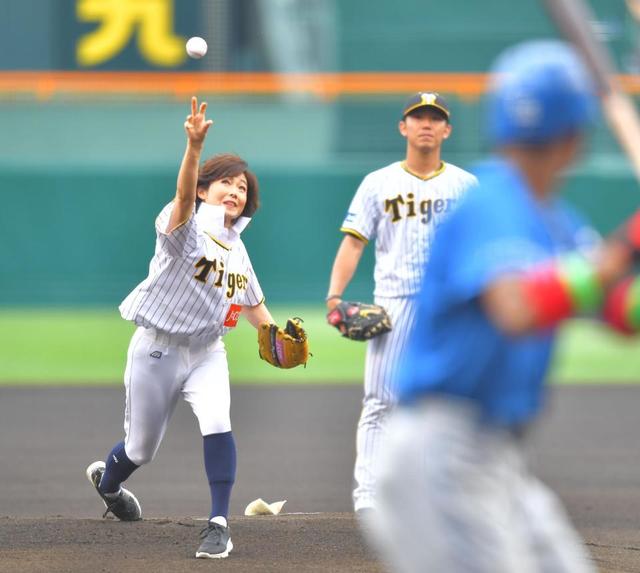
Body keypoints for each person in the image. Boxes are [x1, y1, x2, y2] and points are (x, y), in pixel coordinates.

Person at [366, 40, 640, 572]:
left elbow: (620, 312)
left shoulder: (555, 222)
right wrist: (629, 243)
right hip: (443, 451)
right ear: (576, 140)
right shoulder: (491, 201)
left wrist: (618, 257)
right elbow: (516, 308)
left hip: (496, 459)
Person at [85, 96, 307, 559]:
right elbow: (184, 196)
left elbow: (256, 311)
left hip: (208, 351)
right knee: (140, 449)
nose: (234, 190)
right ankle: (109, 485)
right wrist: (194, 147)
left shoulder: (238, 250)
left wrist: (278, 342)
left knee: (218, 421)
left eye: (242, 187)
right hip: (157, 350)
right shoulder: (183, 224)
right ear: (206, 189)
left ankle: (219, 524)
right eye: (225, 182)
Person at [325, 92, 477, 514]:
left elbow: (479, 247)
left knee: (450, 401)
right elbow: (354, 244)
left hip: (449, 305)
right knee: (380, 401)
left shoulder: (466, 186)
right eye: (418, 117)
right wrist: (334, 296)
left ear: (446, 129)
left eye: (435, 118)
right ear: (403, 127)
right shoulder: (379, 183)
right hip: (394, 302)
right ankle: (369, 496)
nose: (426, 123)